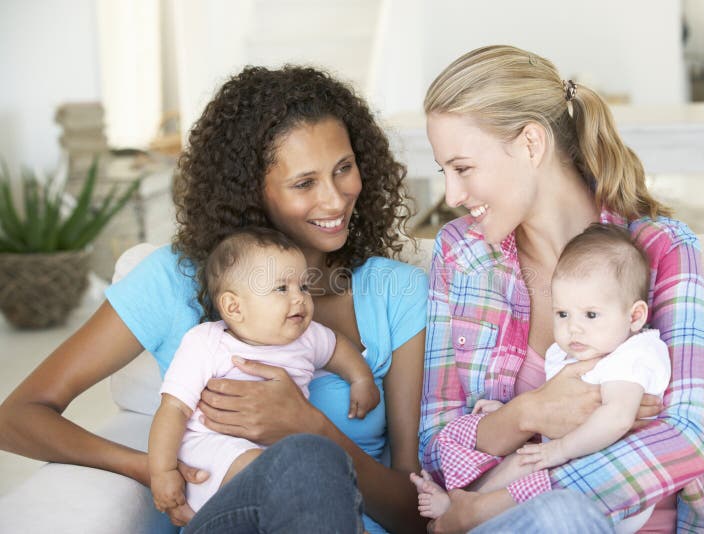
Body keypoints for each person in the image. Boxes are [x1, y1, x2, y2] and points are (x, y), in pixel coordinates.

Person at [0, 66, 429, 534]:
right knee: (305, 460)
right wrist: (152, 468)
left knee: (309, 457)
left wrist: (310, 427)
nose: (335, 199)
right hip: (228, 516)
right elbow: (17, 417)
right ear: (250, 190)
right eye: (304, 183)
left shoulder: (398, 292)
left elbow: (413, 513)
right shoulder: (174, 280)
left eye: (344, 168)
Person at [415, 45, 704, 533]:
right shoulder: (461, 256)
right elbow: (434, 447)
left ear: (532, 144)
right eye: (444, 172)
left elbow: (687, 435)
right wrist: (528, 413)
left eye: (464, 168)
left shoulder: (660, 250)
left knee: (560, 514)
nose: (451, 196)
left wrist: (499, 500)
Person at [414, 223, 672, 526]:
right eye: (563, 314)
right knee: (523, 461)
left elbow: (617, 418)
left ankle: (469, 510)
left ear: (635, 316)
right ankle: (464, 502)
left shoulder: (634, 354)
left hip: (606, 487)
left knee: (534, 466)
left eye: (590, 314)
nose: (573, 327)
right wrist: (511, 413)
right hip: (565, 464)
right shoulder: (574, 353)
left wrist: (558, 450)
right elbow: (552, 411)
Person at [149, 227, 380, 514]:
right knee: (281, 473)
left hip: (281, 461)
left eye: (303, 287)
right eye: (282, 288)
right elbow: (173, 408)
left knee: (314, 472)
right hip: (212, 456)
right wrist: (162, 471)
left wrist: (360, 378)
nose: (299, 298)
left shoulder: (306, 337)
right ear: (234, 307)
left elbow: (337, 349)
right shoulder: (206, 343)